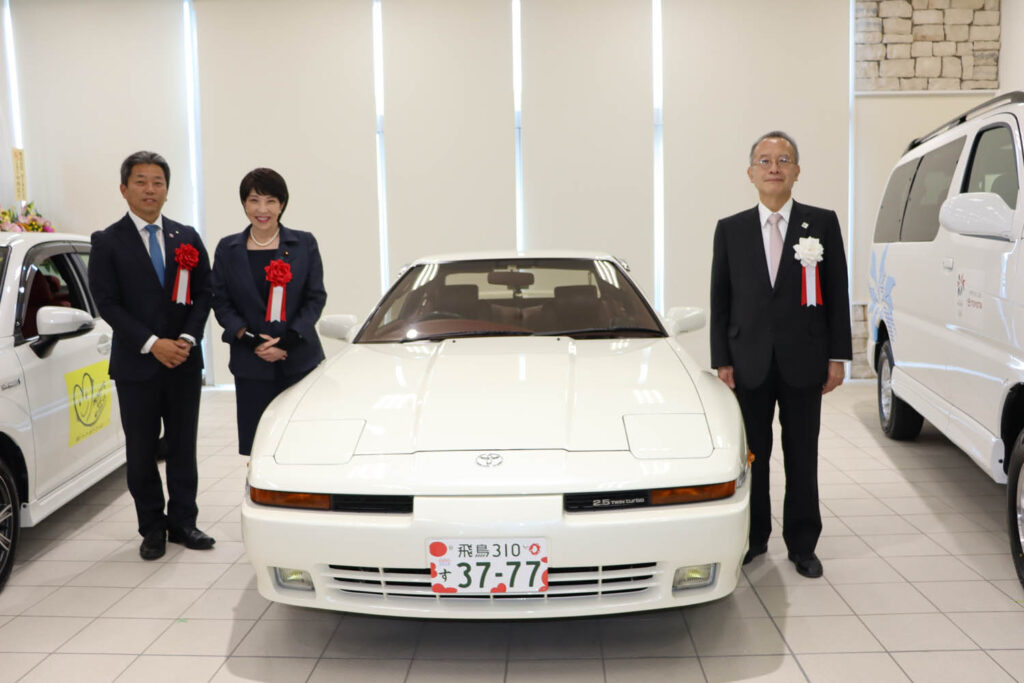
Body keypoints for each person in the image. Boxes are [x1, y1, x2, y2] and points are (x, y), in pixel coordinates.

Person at [710, 131, 852, 579]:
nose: (775, 167)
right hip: (747, 361)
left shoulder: (821, 223)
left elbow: (837, 293)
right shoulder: (730, 229)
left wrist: (838, 357)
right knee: (754, 456)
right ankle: (753, 540)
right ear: (750, 173)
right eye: (765, 160)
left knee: (802, 454)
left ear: (796, 171)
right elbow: (721, 299)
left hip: (804, 360)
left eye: (784, 159)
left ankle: (803, 542)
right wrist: (722, 360)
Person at [89, 151, 215, 560]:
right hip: (137, 365)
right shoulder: (107, 241)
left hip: (182, 361)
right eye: (140, 181)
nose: (149, 189)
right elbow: (107, 303)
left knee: (183, 446)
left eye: (157, 181)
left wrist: (186, 339)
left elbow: (204, 294)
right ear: (124, 189)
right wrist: (151, 343)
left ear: (167, 189)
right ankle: (152, 528)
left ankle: (183, 522)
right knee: (141, 451)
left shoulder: (187, 236)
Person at [210, 168, 327, 456]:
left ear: (282, 204)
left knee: (304, 441)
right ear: (244, 204)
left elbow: (315, 298)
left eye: (271, 201)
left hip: (299, 360)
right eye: (254, 201)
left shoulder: (304, 243)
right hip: (251, 364)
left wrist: (287, 341)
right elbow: (221, 301)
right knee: (259, 445)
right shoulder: (228, 248)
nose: (262, 210)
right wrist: (251, 339)